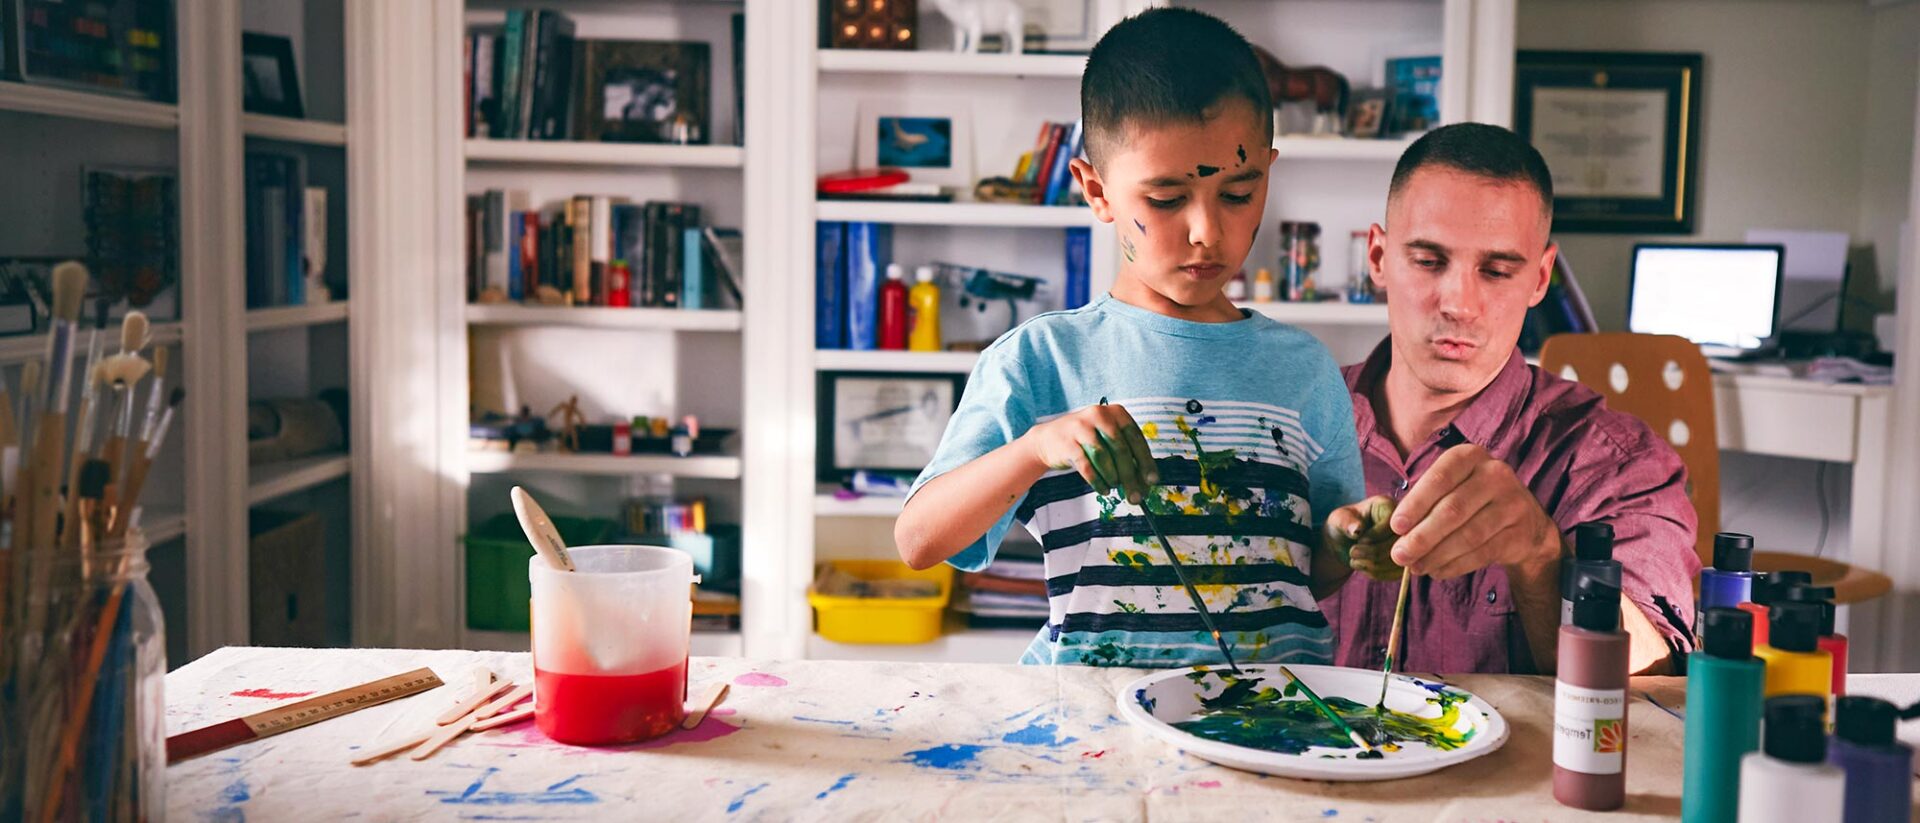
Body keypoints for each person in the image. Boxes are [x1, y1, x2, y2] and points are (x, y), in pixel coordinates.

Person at [893, 8, 1366, 667]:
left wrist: (1348, 544)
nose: (1206, 231)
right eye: (1167, 199)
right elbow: (918, 539)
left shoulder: (1308, 373)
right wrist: (1036, 447)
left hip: (1271, 728)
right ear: (1096, 189)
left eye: (1238, 192)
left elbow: (1307, 574)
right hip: (1095, 734)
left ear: (1268, 170)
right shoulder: (1043, 362)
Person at [1320, 123, 1700, 675]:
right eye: (1428, 261)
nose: (1460, 303)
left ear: (1541, 277)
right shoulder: (1292, 420)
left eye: (1497, 271)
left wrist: (1541, 556)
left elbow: (1653, 682)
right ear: (1378, 256)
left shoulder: (1614, 463)